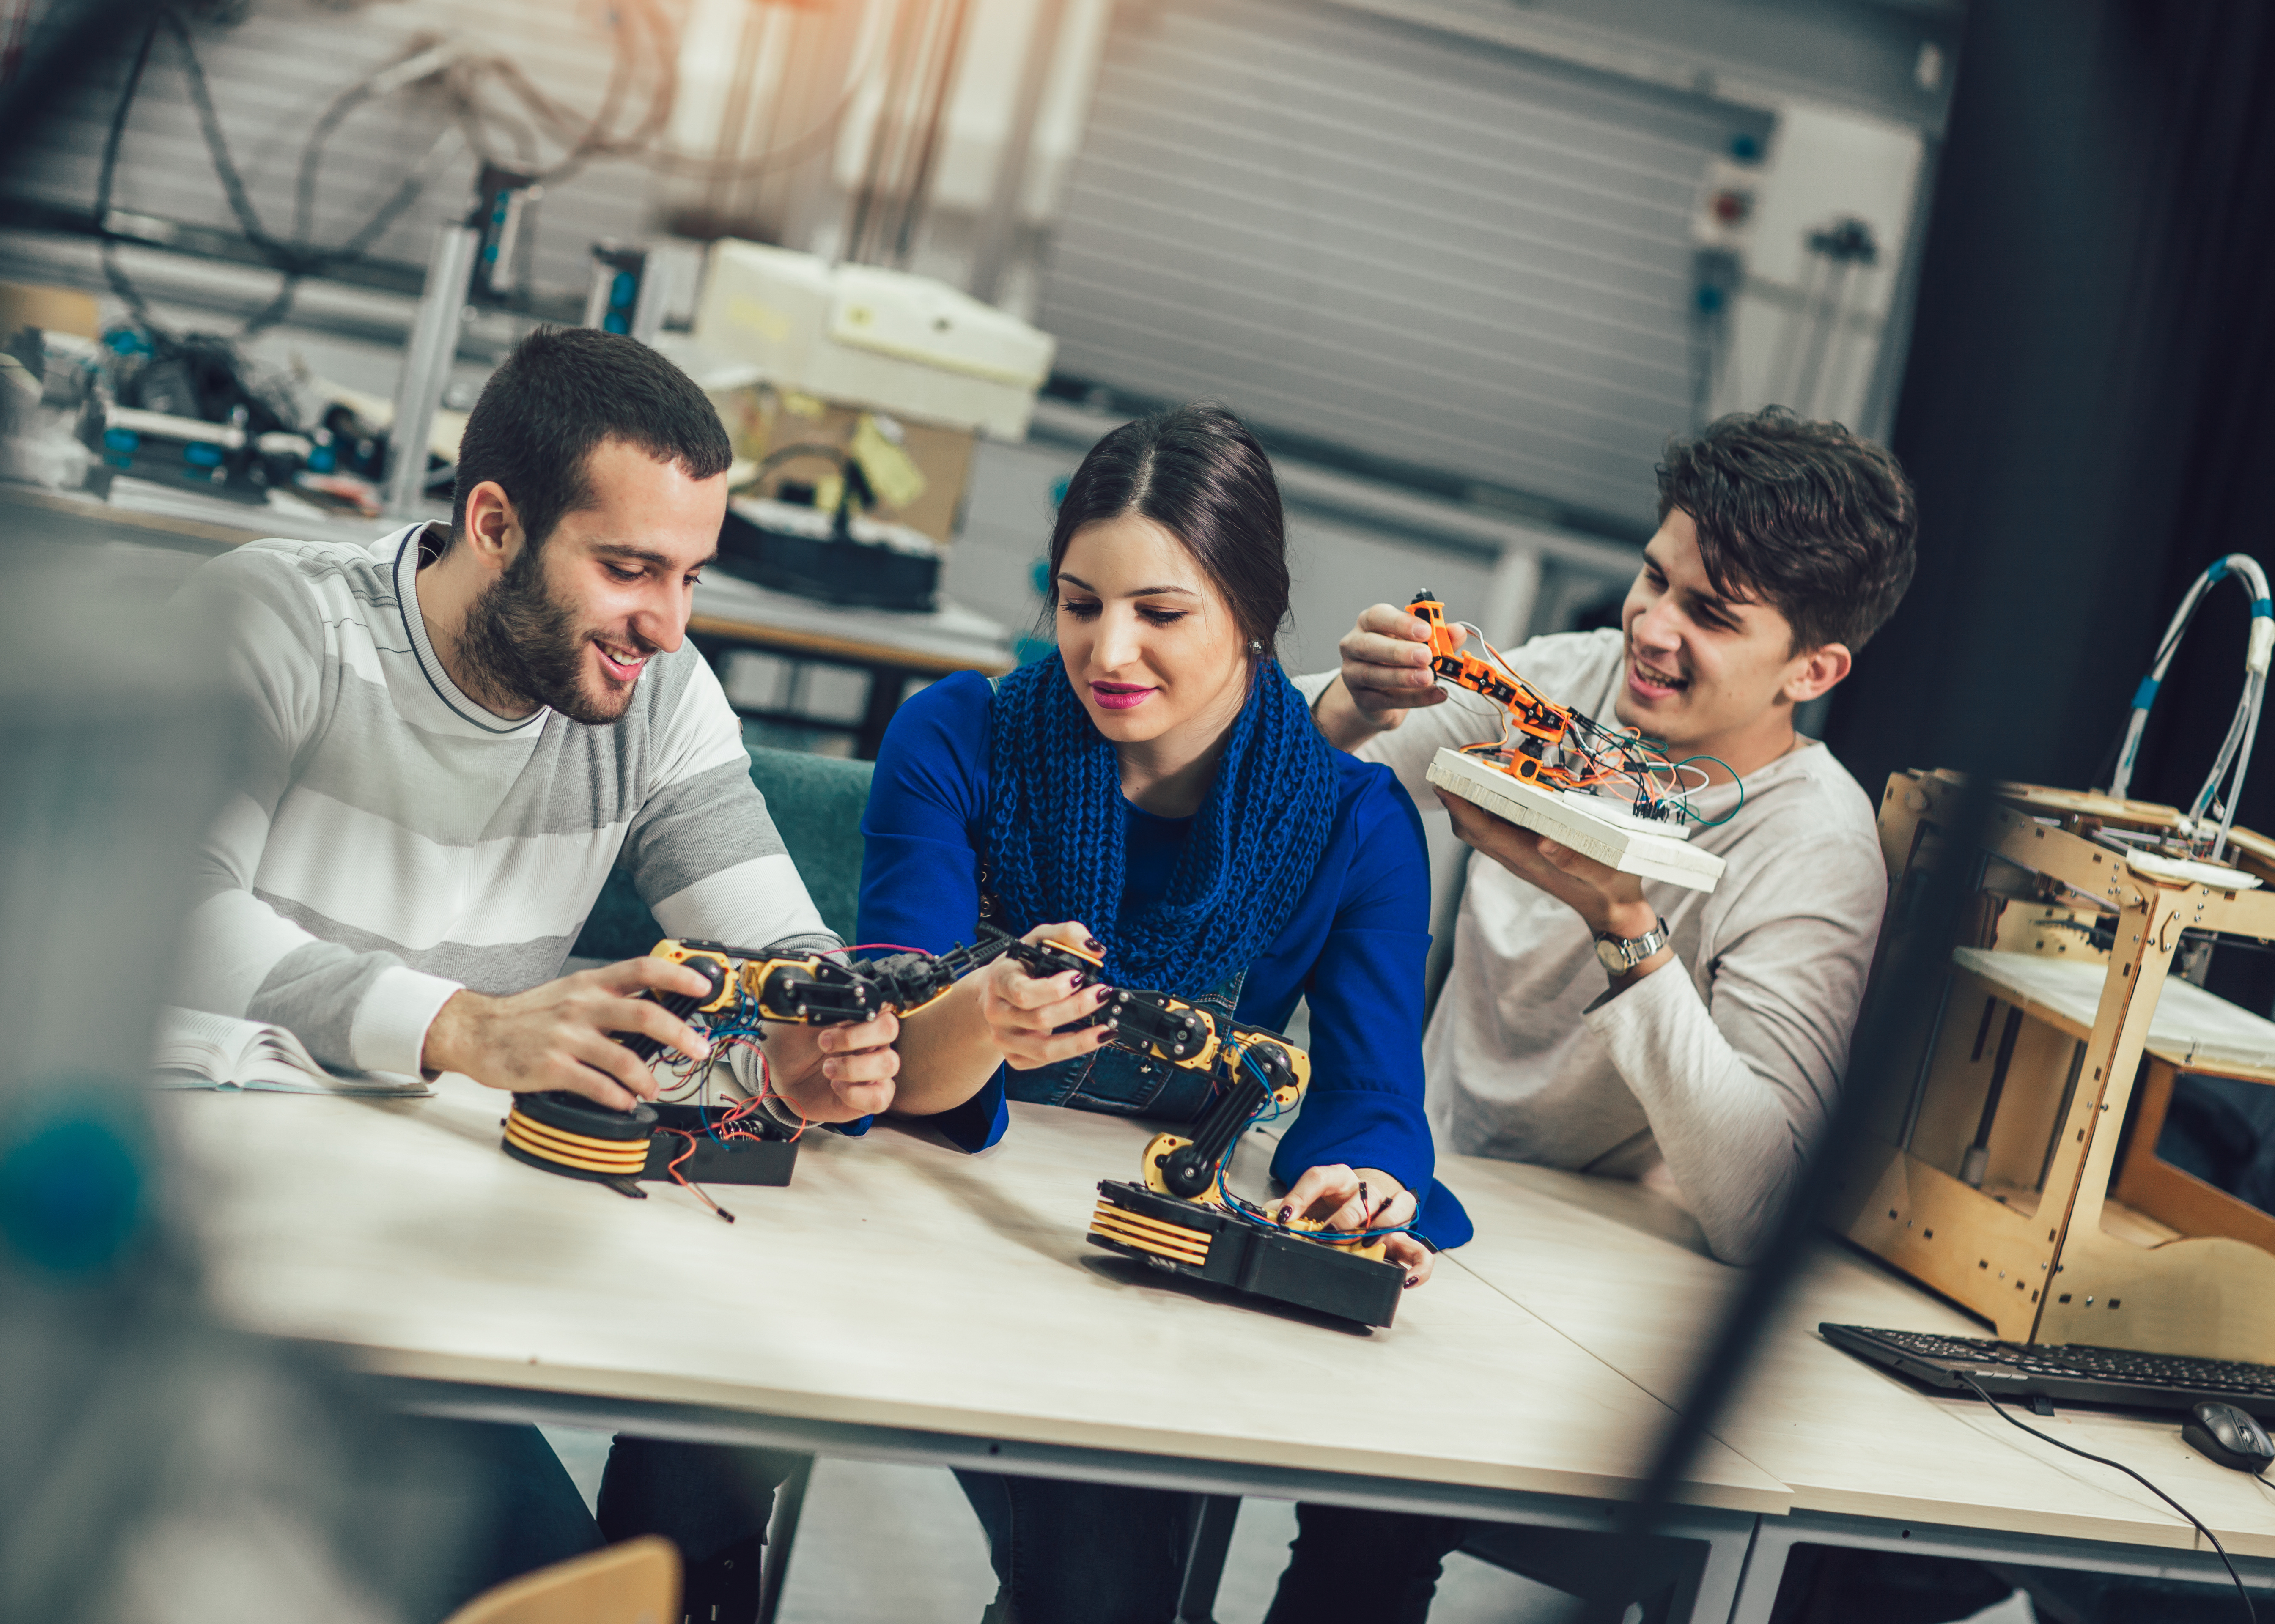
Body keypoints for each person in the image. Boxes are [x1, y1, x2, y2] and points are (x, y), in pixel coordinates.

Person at [170, 326, 899, 1621]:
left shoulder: (659, 700)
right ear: (495, 523)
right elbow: (161, 912)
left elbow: (782, 952)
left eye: (689, 576)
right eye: (630, 569)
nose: (668, 626)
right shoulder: (278, 620)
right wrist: (462, 1027)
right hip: (204, 1263)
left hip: (432, 1284)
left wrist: (807, 1043)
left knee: (620, 1582)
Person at [1262, 407, 1920, 1621]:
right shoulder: (1556, 685)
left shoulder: (1815, 845)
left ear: (1814, 671)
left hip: (1602, 1290)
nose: (1652, 631)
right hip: (1428, 1194)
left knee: (1368, 1544)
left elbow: (1758, 1204)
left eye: (1712, 616)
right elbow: (1268, 789)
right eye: (1653, 578)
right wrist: (1353, 705)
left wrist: (1626, 924)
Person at [857, 402, 1473, 1624]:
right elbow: (878, 1060)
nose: (1108, 652)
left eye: (1162, 613)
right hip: (926, 1228)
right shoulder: (959, 736)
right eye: (1081, 605)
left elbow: (1368, 1099)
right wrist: (982, 1012)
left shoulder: (1354, 826)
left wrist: (1359, 1185)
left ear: (1252, 614)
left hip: (1140, 1254)